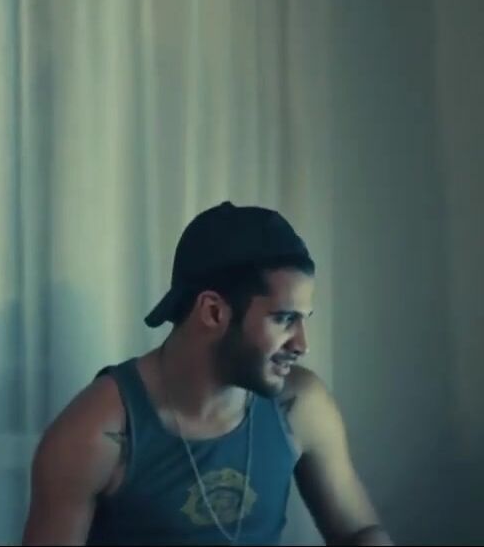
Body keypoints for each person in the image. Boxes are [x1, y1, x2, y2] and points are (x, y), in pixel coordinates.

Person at [22, 202, 392, 546]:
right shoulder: (93, 433)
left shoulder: (301, 405)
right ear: (213, 312)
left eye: (303, 320)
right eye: (283, 319)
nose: (301, 344)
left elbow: (358, 531)